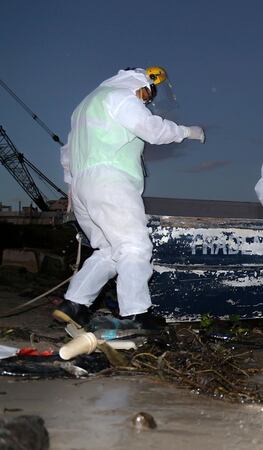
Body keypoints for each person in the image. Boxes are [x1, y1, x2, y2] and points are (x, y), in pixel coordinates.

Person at [56, 67, 206, 327]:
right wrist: (187, 132)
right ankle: (136, 314)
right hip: (111, 180)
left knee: (110, 251)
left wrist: (71, 188)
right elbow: (151, 129)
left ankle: (74, 304)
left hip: (83, 186)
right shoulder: (121, 96)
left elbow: (67, 152)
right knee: (135, 246)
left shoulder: (83, 106)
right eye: (147, 94)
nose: (146, 101)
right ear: (140, 82)